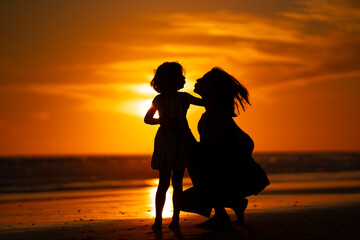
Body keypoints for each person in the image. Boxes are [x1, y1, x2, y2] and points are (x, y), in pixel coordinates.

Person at [182, 67, 270, 228]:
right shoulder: (209, 114)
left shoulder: (215, 115)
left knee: (196, 162)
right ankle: (236, 203)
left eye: (204, 79)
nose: (198, 80)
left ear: (212, 89)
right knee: (196, 161)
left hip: (227, 165)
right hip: (224, 165)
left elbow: (223, 146)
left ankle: (223, 214)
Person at [144, 62, 203, 230]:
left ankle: (171, 220)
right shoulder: (162, 99)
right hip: (170, 140)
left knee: (172, 183)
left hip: (178, 139)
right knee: (168, 182)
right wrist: (162, 120)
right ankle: (162, 220)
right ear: (171, 80)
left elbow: (204, 102)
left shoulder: (182, 97)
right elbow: (147, 119)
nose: (184, 79)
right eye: (180, 77)